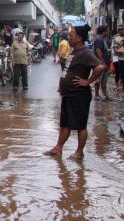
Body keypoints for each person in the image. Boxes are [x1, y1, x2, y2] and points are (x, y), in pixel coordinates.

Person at [44, 25, 105, 160]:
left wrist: (88, 81)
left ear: (79, 38)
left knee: (80, 126)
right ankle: (58, 148)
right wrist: (62, 86)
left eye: (71, 35)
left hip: (79, 95)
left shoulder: (85, 53)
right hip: (69, 94)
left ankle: (79, 152)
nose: (68, 37)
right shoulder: (74, 51)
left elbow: (100, 67)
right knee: (65, 124)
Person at [93, 26, 111, 101]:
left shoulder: (102, 40)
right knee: (98, 80)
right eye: (107, 31)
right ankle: (97, 95)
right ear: (104, 31)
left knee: (104, 81)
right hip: (100, 64)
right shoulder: (99, 40)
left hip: (104, 64)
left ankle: (105, 95)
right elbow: (98, 51)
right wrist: (103, 63)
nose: (108, 32)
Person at [112, 25, 124, 93]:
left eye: (122, 29)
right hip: (121, 59)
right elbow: (115, 50)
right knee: (121, 75)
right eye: (119, 29)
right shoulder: (116, 39)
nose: (121, 31)